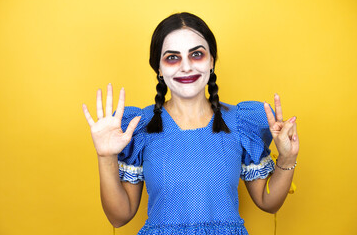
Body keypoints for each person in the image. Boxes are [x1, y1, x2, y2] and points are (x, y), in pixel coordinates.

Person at [82, 12, 299, 235]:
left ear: (212, 60)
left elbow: (268, 202)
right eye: (172, 57)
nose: (186, 67)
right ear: (159, 68)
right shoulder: (139, 128)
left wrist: (287, 157)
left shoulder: (241, 122)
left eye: (196, 54)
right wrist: (106, 157)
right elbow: (119, 218)